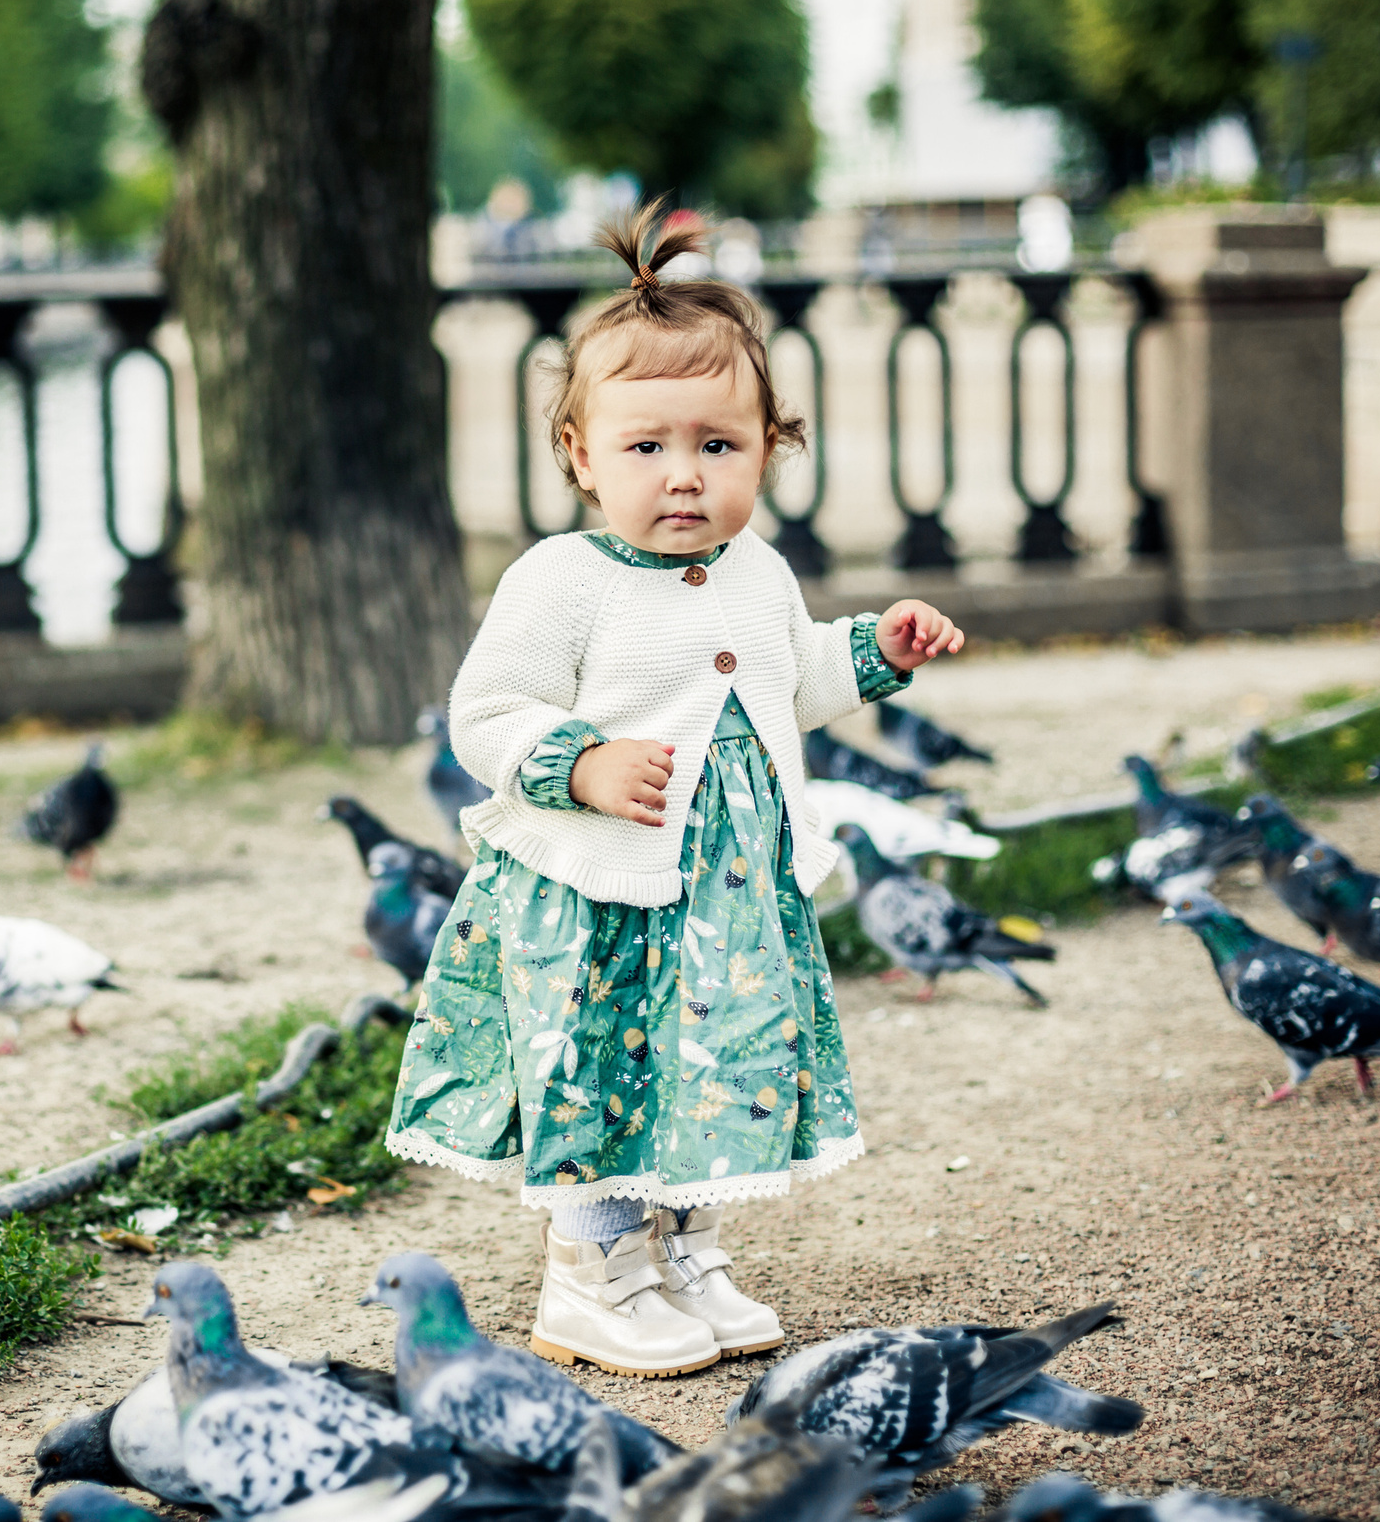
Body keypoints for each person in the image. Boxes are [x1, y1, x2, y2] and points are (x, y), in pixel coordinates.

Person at [384, 200, 964, 1379]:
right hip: (596, 897)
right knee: (599, 1065)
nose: (684, 475)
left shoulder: (756, 570)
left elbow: (786, 678)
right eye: (646, 448)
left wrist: (876, 652)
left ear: (769, 450)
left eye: (718, 445)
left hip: (728, 899)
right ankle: (594, 1271)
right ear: (581, 457)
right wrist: (584, 764)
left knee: (716, 1066)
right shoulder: (561, 580)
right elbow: (484, 715)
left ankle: (686, 1249)